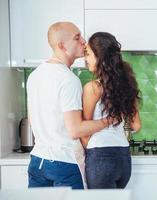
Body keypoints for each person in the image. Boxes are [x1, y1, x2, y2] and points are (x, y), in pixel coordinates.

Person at [26, 22, 114, 189]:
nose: (84, 41)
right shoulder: (68, 79)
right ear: (62, 45)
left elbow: (33, 120)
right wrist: (109, 120)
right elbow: (75, 130)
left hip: (38, 162)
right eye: (77, 37)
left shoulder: (35, 75)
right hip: (64, 164)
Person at [82, 32, 142, 189]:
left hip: (100, 156)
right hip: (123, 157)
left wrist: (92, 149)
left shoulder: (93, 88)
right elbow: (136, 126)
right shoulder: (128, 84)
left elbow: (84, 129)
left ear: (99, 56)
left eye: (87, 54)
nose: (85, 59)